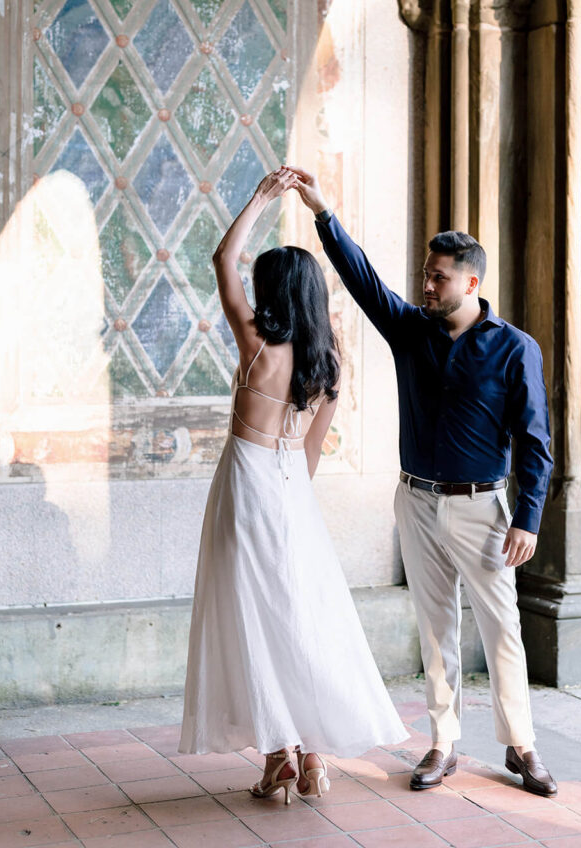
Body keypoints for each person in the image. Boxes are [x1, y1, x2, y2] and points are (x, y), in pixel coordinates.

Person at [290, 167, 557, 797]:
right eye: (426, 275)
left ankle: (522, 745)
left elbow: (535, 439)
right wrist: (325, 213)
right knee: (437, 627)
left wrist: (529, 517)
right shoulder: (410, 331)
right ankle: (442, 744)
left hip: (483, 508)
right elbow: (363, 281)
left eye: (439, 277)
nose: (426, 285)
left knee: (502, 627)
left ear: (471, 281)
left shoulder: (515, 349)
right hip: (414, 500)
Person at [178, 168, 407, 803]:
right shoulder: (330, 364)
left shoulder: (256, 343)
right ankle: (310, 757)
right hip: (290, 490)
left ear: (270, 291)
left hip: (248, 480)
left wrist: (260, 197)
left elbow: (222, 256)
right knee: (299, 613)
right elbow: (308, 456)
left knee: (253, 614)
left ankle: (280, 754)